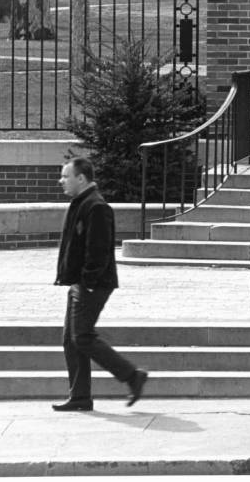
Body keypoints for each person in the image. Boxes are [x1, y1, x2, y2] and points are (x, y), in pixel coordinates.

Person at [52, 157, 148, 413]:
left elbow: (100, 250)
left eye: (65, 176)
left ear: (80, 178)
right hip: (79, 283)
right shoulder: (81, 203)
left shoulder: (96, 206)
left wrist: (89, 281)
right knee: (71, 339)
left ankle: (131, 375)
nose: (61, 181)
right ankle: (80, 396)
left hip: (92, 284)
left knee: (82, 336)